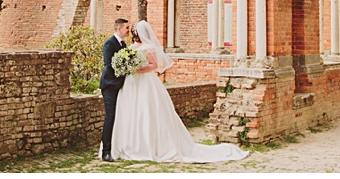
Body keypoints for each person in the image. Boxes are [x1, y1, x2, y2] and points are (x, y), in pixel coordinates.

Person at [109, 20, 249, 163]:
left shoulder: (148, 47)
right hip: (132, 84)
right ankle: (132, 145)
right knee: (133, 112)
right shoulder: (132, 47)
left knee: (148, 111)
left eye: (132, 31)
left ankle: (150, 146)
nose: (131, 32)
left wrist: (139, 69)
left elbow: (155, 65)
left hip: (146, 82)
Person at [100, 18, 130, 162]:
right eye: (127, 28)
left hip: (121, 85)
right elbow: (109, 64)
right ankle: (106, 152)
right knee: (110, 117)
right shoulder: (109, 43)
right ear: (119, 29)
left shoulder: (123, 44)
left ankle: (119, 147)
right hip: (110, 85)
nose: (128, 30)